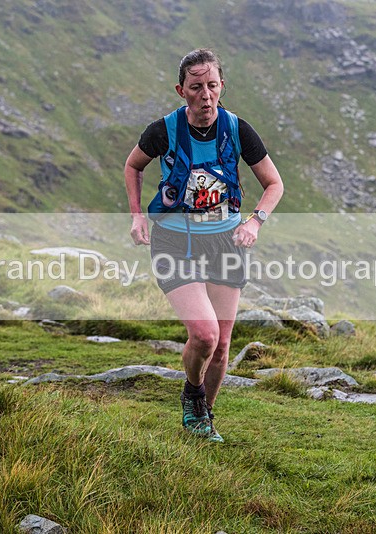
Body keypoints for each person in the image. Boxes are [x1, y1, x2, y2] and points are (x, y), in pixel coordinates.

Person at [124, 49, 284, 442]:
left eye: (212, 85)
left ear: (222, 87)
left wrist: (255, 222)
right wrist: (136, 215)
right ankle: (193, 395)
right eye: (197, 87)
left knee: (224, 344)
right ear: (182, 90)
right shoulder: (162, 130)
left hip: (225, 243)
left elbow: (274, 185)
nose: (206, 95)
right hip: (174, 241)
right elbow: (133, 166)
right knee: (205, 335)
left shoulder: (238, 129)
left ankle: (204, 418)